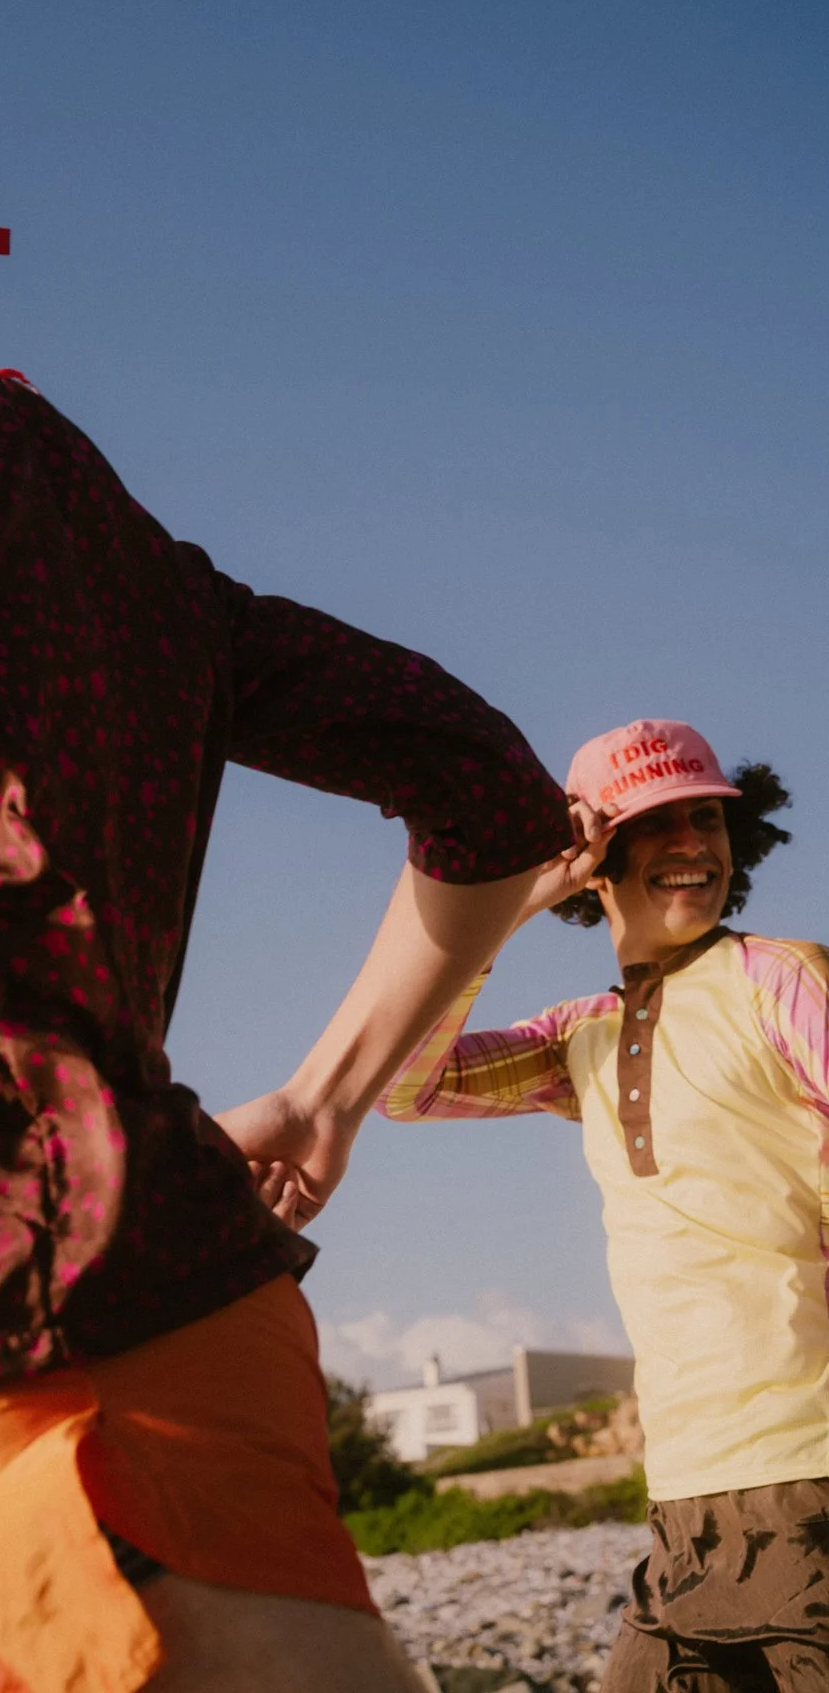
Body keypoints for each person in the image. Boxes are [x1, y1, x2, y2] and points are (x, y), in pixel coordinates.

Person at [0, 102, 573, 1693]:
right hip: (194, 1321)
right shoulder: (120, 540)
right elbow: (488, 787)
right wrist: (329, 1100)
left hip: (26, 1348)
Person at [242, 716, 829, 1691]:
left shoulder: (780, 980)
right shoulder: (579, 1038)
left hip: (810, 1471)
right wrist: (511, 899)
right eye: (655, 824)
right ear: (594, 856)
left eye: (709, 820)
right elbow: (410, 1086)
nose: (692, 844)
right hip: (687, 1495)